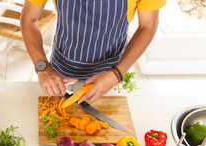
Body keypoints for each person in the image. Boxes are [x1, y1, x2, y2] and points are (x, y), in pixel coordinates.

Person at [21, 0, 166, 102]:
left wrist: (116, 74)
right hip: (61, 74)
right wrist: (42, 67)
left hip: (112, 74)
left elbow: (147, 26)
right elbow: (28, 17)